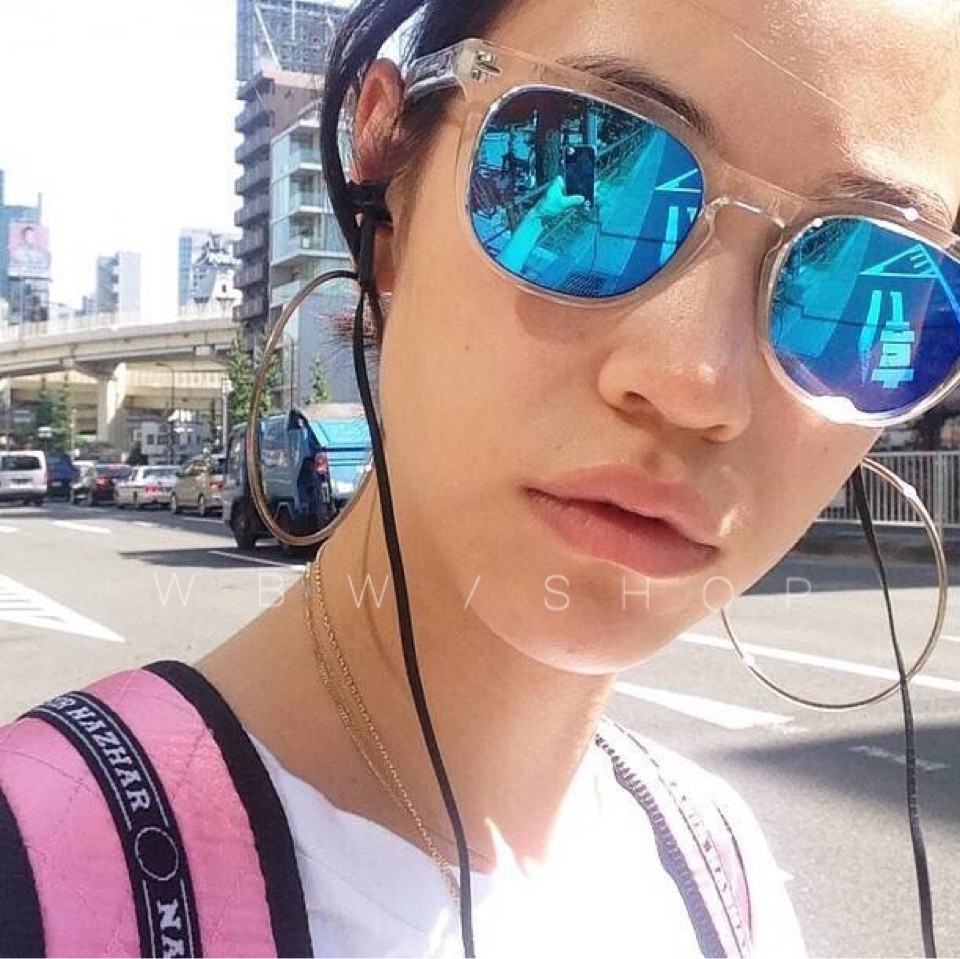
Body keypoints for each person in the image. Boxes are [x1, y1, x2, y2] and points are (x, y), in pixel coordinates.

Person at [2, 0, 959, 956]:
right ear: (388, 188)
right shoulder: (39, 877)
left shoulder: (723, 874)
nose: (698, 385)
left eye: (874, 277)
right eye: (587, 179)